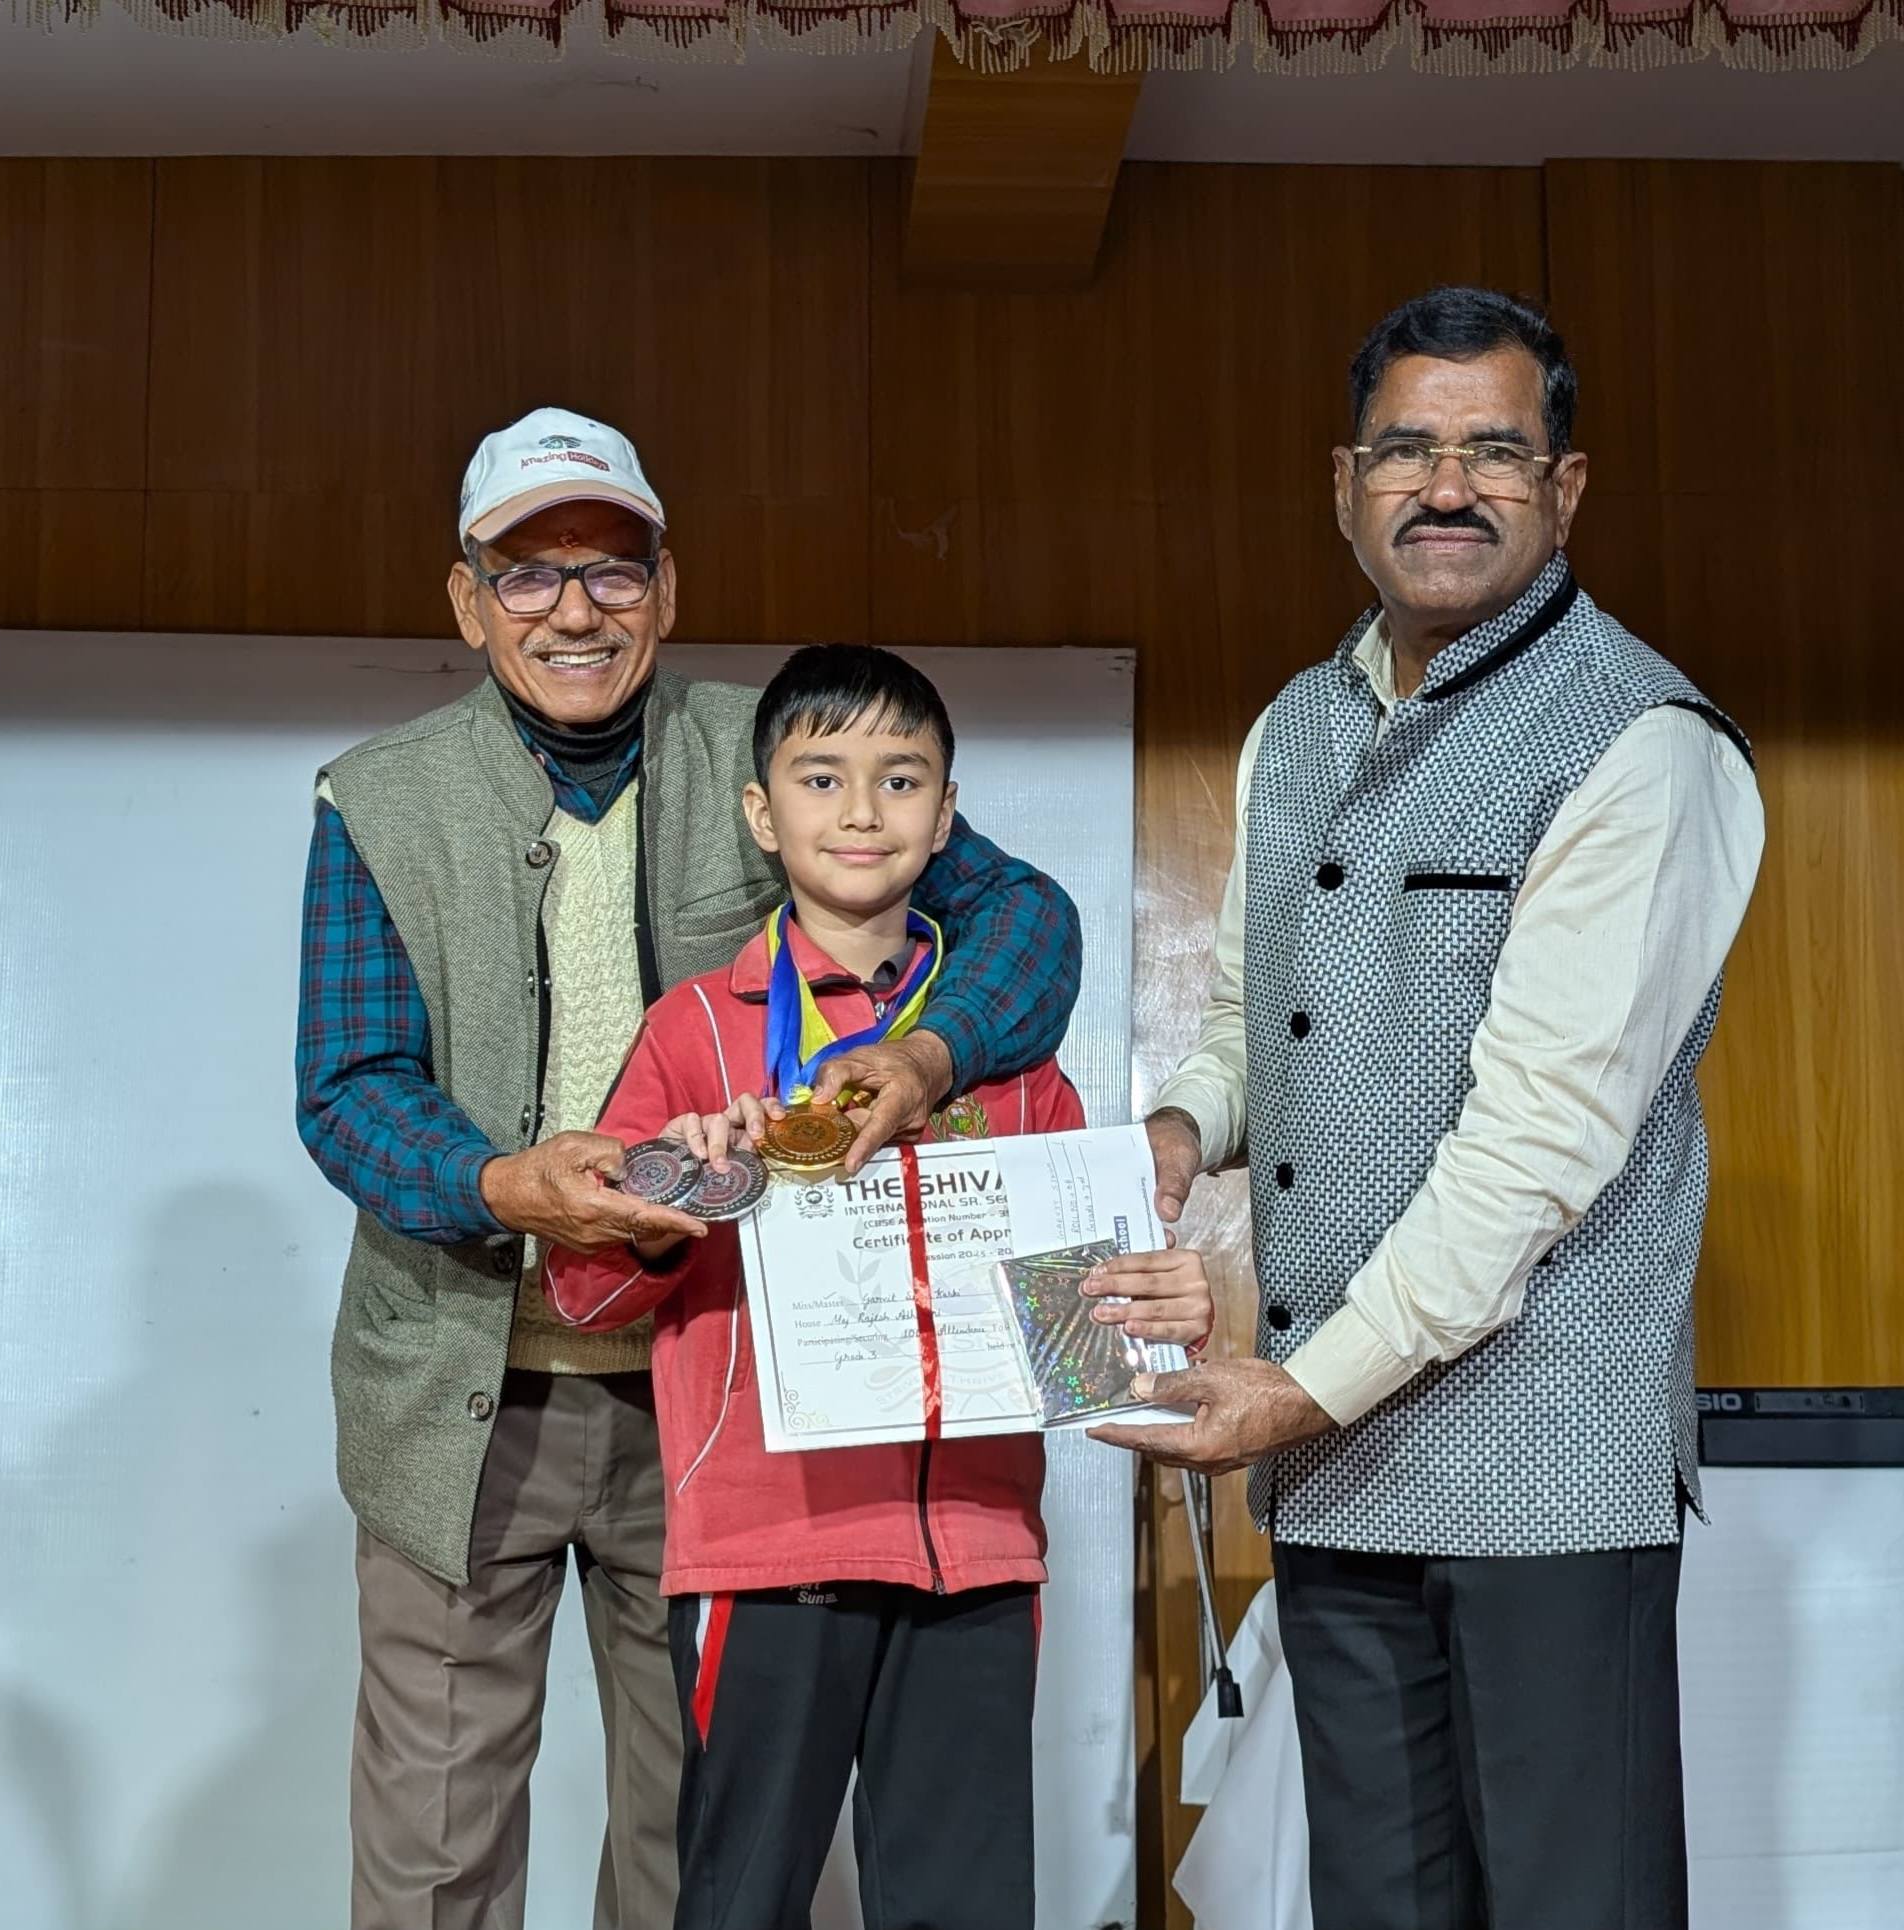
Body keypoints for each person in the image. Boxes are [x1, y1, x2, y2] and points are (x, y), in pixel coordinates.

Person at [294, 412, 1085, 1930]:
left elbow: (1027, 921)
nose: (573, 609)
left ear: (665, 586)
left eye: (611, 568)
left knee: (694, 1847)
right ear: (466, 600)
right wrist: (506, 1185)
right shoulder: (375, 799)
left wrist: (927, 1056)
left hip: (724, 1394)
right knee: (433, 1849)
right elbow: (348, 1087)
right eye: (527, 574)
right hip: (461, 1391)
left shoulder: (785, 747)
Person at [1093, 289, 1765, 1930]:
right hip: (1338, 1465)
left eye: (1493, 452)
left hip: (1544, 1466)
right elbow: (1257, 1018)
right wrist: (1180, 1129)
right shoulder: (1292, 724)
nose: (1445, 487)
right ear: (1345, 484)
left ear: (1564, 487)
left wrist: (1295, 1390)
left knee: (1570, 1903)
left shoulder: (1644, 742)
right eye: (1405, 449)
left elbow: (1534, 1148)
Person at [545, 644, 1215, 1930]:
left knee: (964, 1908)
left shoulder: (1008, 1055)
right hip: (766, 1547)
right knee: (738, 1902)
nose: (861, 809)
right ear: (762, 814)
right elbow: (584, 1291)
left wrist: (1159, 1315)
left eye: (900, 779)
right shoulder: (697, 1029)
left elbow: (1083, 1329)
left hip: (974, 1546)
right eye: (822, 778)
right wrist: (677, 1194)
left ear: (947, 815)